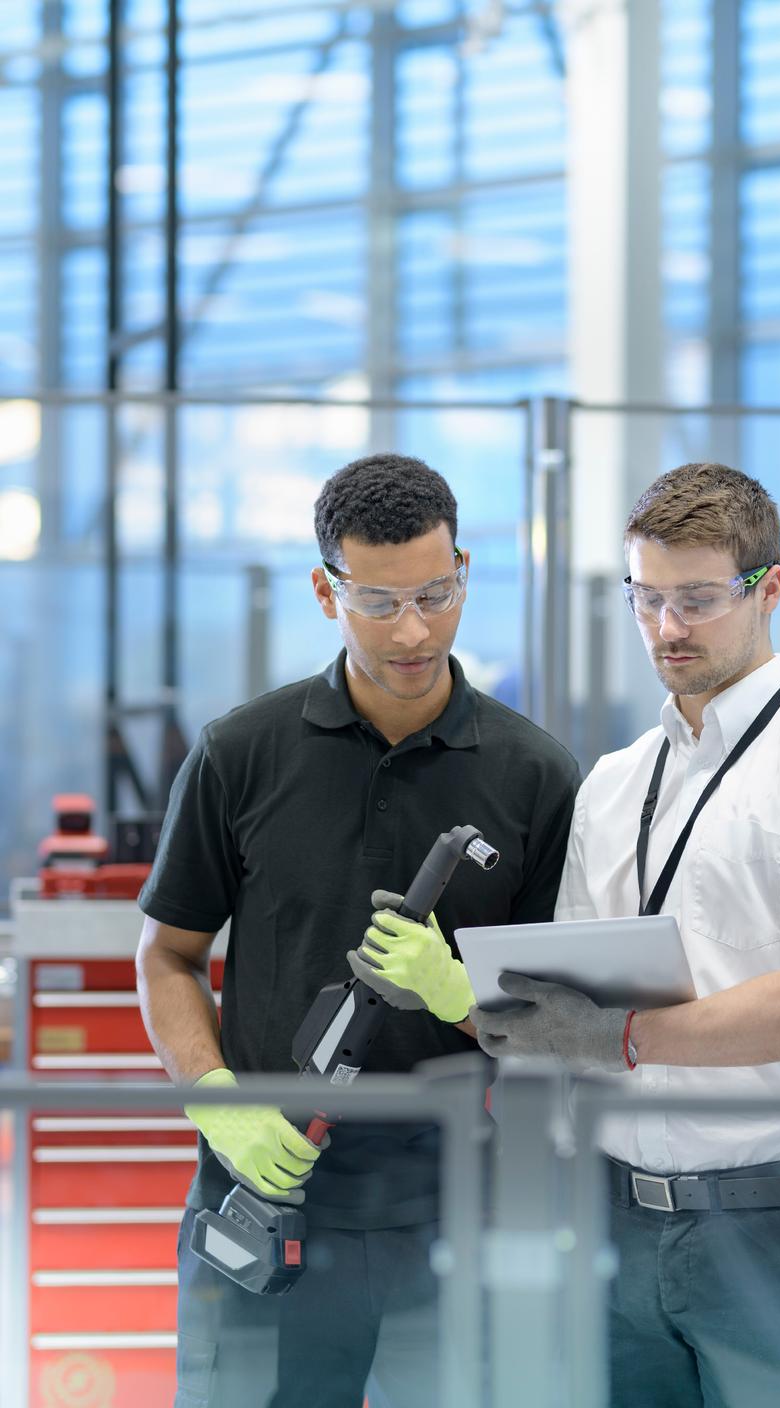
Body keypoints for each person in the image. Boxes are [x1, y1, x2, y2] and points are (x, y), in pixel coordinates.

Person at [467, 462, 780, 1406]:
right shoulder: (616, 781)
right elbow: (570, 997)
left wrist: (619, 1036)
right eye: (648, 599)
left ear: (769, 589)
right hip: (614, 1217)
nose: (669, 629)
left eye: (700, 600)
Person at [136, 453, 579, 1408]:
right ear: (324, 589)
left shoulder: (536, 776)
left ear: (465, 567)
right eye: (377, 603)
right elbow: (167, 956)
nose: (414, 630)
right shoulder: (239, 754)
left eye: (436, 592)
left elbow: (561, 1021)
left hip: (456, 1210)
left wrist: (464, 997)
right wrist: (216, 1100)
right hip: (267, 1195)